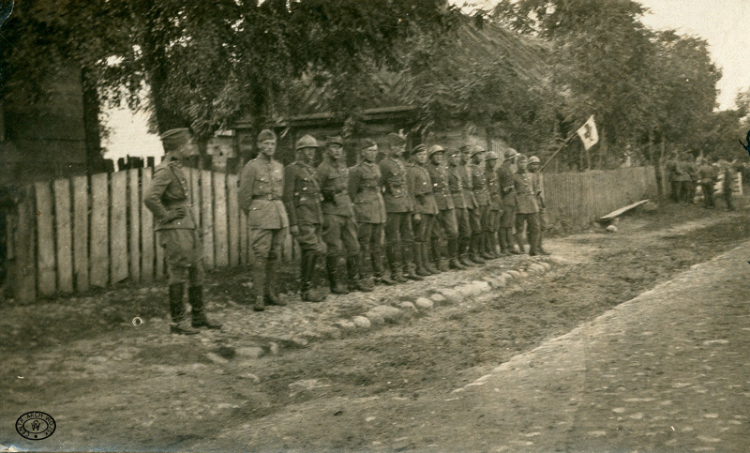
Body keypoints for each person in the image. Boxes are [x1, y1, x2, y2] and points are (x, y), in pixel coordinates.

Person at [144, 128, 221, 334]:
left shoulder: (177, 168)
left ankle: (198, 316)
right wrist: (166, 215)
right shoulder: (165, 170)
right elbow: (150, 197)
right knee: (178, 271)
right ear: (178, 147)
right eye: (188, 144)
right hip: (174, 228)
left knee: (197, 268)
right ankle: (177, 322)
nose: (191, 147)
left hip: (187, 226)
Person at [238, 129, 289, 312]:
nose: (269, 147)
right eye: (266, 143)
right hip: (261, 215)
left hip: (278, 214)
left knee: (275, 255)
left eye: (272, 144)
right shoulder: (251, 166)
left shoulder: (278, 166)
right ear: (259, 145)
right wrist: (254, 215)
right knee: (261, 255)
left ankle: (271, 293)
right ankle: (259, 297)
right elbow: (244, 197)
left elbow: (280, 192)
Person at [316, 135, 364, 293]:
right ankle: (335, 284)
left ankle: (353, 280)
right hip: (332, 212)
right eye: (333, 147)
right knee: (334, 248)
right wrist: (327, 197)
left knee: (354, 246)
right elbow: (316, 192)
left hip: (346, 211)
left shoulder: (343, 166)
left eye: (339, 147)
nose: (337, 150)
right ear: (327, 149)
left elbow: (347, 189)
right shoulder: (323, 168)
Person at [283, 135, 327, 302]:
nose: (311, 153)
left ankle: (308, 287)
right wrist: (293, 223)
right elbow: (288, 198)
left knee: (313, 251)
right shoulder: (292, 169)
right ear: (299, 152)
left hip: (314, 216)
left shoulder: (311, 170)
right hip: (302, 217)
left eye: (313, 150)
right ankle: (306, 290)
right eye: (307, 150)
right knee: (312, 250)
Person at [349, 138, 391, 288]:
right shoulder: (356, 170)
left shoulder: (376, 168)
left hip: (378, 210)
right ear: (362, 152)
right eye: (369, 151)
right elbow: (351, 194)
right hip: (364, 211)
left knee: (377, 244)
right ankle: (364, 275)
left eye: (375, 151)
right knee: (364, 245)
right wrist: (357, 212)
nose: (373, 154)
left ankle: (378, 274)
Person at [380, 132, 422, 282]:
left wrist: (412, 208)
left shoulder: (402, 162)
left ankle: (408, 268)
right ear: (391, 147)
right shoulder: (384, 164)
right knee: (393, 240)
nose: (401, 149)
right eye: (398, 146)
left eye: (402, 146)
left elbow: (407, 187)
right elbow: (380, 187)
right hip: (392, 206)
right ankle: (395, 271)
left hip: (405, 206)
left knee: (408, 238)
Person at [426, 145, 461, 271]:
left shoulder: (444, 169)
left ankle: (453, 259)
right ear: (431, 157)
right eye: (436, 155)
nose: (439, 157)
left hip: (448, 203)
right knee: (435, 235)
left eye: (440, 154)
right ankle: (438, 262)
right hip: (436, 204)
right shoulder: (427, 170)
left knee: (454, 232)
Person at [407, 144, 440, 276]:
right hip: (421, 207)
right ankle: (419, 266)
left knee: (426, 238)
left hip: (429, 206)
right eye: (420, 155)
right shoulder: (412, 171)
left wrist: (434, 207)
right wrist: (415, 212)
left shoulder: (424, 170)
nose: (422, 157)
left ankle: (426, 264)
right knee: (419, 238)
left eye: (424, 155)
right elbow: (410, 193)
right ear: (414, 156)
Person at [447, 147, 473, 268]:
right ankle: (454, 259)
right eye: (454, 157)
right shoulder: (446, 171)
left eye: (458, 157)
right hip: (453, 203)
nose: (456, 159)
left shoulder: (459, 170)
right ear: (449, 158)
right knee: (454, 233)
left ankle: (462, 256)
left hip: (462, 203)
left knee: (466, 231)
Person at [513, 155, 541, 255]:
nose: (523, 165)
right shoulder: (514, 176)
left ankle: (533, 250)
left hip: (532, 204)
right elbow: (513, 192)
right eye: (521, 162)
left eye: (524, 162)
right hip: (520, 205)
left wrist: (537, 202)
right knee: (519, 228)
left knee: (535, 227)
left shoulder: (532, 176)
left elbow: (536, 189)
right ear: (517, 164)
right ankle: (521, 250)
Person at [469, 145, 494, 261]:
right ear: (473, 156)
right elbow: (471, 188)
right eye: (479, 154)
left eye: (482, 154)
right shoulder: (470, 169)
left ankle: (482, 251)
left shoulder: (480, 169)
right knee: (477, 229)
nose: (481, 157)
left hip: (484, 200)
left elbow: (485, 186)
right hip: (476, 201)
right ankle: (473, 253)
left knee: (484, 227)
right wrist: (475, 202)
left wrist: (488, 200)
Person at [460, 145, 484, 265]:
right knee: (465, 230)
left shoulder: (470, 168)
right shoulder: (458, 168)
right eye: (465, 154)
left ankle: (473, 254)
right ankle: (462, 256)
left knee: (477, 228)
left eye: (468, 154)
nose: (467, 156)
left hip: (472, 199)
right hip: (462, 199)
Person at [497, 149, 521, 255]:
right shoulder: (501, 170)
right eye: (514, 158)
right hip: (505, 201)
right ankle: (504, 248)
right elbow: (500, 188)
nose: (515, 160)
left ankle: (511, 246)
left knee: (510, 225)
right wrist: (509, 188)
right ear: (511, 158)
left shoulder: (508, 169)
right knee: (503, 225)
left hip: (511, 200)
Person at [528, 156, 551, 255]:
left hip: (540, 202)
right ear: (529, 165)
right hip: (532, 203)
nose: (536, 166)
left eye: (537, 164)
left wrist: (543, 200)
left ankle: (540, 245)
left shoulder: (539, 175)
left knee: (544, 225)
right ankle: (534, 247)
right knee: (534, 226)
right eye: (533, 164)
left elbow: (541, 189)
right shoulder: (527, 176)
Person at [485, 151, 502, 258]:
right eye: (492, 160)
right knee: (489, 226)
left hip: (496, 201)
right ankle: (489, 249)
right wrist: (489, 202)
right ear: (487, 161)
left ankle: (494, 249)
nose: (494, 162)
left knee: (495, 226)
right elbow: (485, 189)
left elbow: (498, 188)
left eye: (495, 160)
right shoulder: (485, 173)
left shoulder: (495, 173)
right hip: (489, 201)